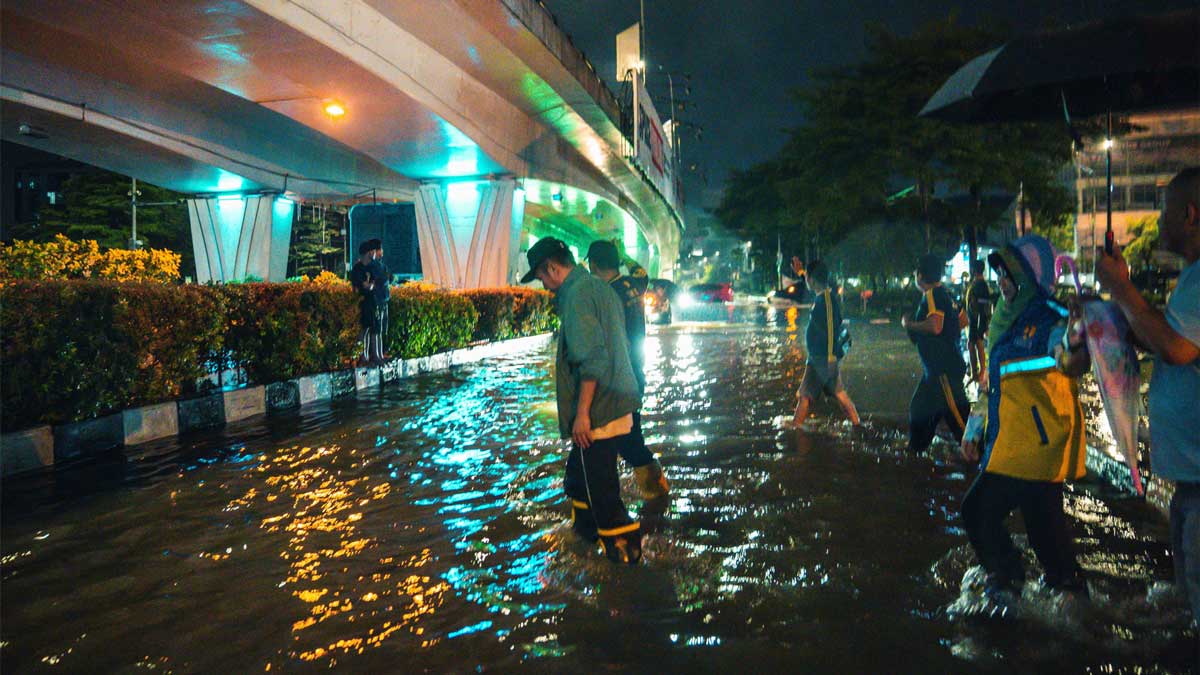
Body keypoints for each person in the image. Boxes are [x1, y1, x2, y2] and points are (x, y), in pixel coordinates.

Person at [959, 234, 1091, 606]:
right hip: (1021, 445)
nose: (1001, 282)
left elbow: (1072, 360)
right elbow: (992, 385)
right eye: (999, 274)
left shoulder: (1051, 318)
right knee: (1046, 538)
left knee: (977, 512)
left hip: (1032, 448)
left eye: (1008, 275)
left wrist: (1078, 336)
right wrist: (974, 429)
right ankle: (1075, 606)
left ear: (1030, 277)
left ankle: (1007, 583)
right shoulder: (1005, 321)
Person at [1096, 167, 1200, 635]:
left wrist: (1120, 287)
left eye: (1163, 213)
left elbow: (1176, 348)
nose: (1158, 223)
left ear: (1189, 215)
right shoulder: (1191, 279)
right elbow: (1164, 337)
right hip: (1189, 484)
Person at [522, 237, 643, 564]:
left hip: (599, 409)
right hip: (617, 399)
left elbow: (593, 359)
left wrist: (582, 415)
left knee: (604, 496)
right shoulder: (599, 287)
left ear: (551, 267)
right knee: (578, 481)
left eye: (542, 277)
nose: (544, 286)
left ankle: (627, 568)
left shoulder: (575, 296)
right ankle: (585, 541)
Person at [586, 239, 670, 501]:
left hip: (620, 380)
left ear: (593, 264)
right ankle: (655, 496)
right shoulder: (633, 286)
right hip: (635, 374)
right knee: (627, 439)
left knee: (627, 443)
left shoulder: (607, 295)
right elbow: (642, 272)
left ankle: (656, 494)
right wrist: (625, 255)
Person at [902, 253, 970, 453]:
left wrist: (909, 324)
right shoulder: (942, 294)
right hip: (933, 373)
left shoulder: (932, 295)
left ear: (921, 276)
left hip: (943, 373)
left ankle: (983, 460)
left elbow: (935, 326)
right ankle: (916, 454)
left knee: (961, 423)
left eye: (916, 272)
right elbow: (960, 321)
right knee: (918, 411)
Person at [793, 260, 861, 428]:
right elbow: (811, 283)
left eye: (807, 277)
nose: (806, 280)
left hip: (822, 359)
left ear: (813, 280)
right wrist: (802, 272)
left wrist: (830, 358)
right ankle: (858, 425)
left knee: (805, 396)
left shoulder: (827, 301)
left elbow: (831, 330)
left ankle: (794, 431)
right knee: (838, 394)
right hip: (820, 357)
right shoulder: (823, 296)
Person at [349, 240, 381, 366]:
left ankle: (373, 356)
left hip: (372, 302)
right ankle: (362, 356)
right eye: (372, 252)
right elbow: (365, 286)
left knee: (373, 328)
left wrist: (370, 285)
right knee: (363, 330)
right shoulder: (357, 269)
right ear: (368, 253)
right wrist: (369, 285)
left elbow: (373, 283)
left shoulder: (371, 267)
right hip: (362, 302)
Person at [965, 259, 994, 383]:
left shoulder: (979, 284)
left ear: (973, 270)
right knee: (975, 343)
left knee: (975, 343)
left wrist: (980, 319)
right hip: (976, 319)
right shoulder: (980, 283)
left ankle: (978, 371)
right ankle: (977, 371)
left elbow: (982, 303)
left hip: (976, 319)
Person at [366, 239, 390, 364]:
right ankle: (376, 355)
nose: (382, 252)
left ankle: (379, 354)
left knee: (380, 328)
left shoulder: (380, 265)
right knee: (376, 328)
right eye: (380, 250)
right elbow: (382, 280)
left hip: (382, 299)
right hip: (377, 300)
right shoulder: (372, 266)